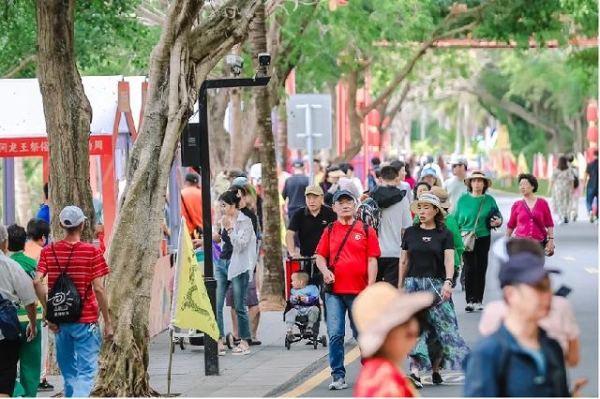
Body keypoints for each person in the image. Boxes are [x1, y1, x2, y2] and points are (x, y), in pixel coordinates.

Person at [464, 253, 574, 397]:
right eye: (537, 289)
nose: (547, 296)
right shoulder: (489, 352)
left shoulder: (552, 347)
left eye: (548, 288)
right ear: (510, 295)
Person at [32, 206, 113, 398]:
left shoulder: (48, 251)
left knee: (69, 374)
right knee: (86, 373)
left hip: (60, 321)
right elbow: (99, 289)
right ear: (83, 224)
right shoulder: (92, 252)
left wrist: (48, 312)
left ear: (61, 224)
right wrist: (108, 322)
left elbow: (36, 281)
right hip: (86, 321)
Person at [400, 192, 469, 388]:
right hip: (414, 285)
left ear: (435, 210)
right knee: (416, 328)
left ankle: (436, 368)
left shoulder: (444, 234)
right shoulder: (411, 233)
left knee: (442, 329)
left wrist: (448, 281)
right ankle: (415, 371)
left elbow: (449, 259)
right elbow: (403, 260)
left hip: (438, 286)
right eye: (419, 208)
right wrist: (400, 286)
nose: (421, 211)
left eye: (426, 208)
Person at [314, 190, 380, 390]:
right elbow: (319, 256)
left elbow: (372, 260)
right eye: (340, 202)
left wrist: (370, 286)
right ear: (333, 207)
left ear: (355, 206)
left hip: (359, 291)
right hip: (334, 292)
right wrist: (325, 271)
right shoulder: (330, 230)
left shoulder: (366, 230)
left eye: (348, 202)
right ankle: (337, 375)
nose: (345, 205)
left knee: (363, 334)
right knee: (335, 334)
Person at [480, 237, 581, 368]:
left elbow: (487, 362)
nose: (547, 298)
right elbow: (572, 359)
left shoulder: (493, 311)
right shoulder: (561, 306)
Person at [353, 283, 434, 397]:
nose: (413, 329)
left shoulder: (379, 372)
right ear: (387, 334)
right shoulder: (384, 380)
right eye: (403, 323)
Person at [454, 171, 502, 312]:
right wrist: (455, 240)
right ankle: (470, 300)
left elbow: (497, 216)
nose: (477, 184)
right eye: (474, 181)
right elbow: (456, 220)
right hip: (466, 238)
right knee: (469, 268)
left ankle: (479, 300)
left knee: (481, 268)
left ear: (485, 184)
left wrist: (498, 222)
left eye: (480, 181)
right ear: (470, 183)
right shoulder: (463, 200)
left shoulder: (489, 200)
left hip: (483, 237)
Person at [0, 225, 38, 398]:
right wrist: (32, 322)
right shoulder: (11, 265)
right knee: (5, 382)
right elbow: (30, 300)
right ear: (4, 243)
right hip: (5, 333)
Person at [217, 191, 256, 355]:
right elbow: (222, 239)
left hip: (239, 266)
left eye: (224, 205)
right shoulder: (223, 220)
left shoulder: (245, 222)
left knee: (240, 305)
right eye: (220, 206)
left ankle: (245, 341)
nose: (222, 209)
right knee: (216, 303)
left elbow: (241, 246)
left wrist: (230, 229)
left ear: (233, 205)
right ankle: (218, 340)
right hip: (223, 263)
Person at [23, 219, 53, 392]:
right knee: (40, 344)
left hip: (20, 305)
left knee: (23, 343)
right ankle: (41, 378)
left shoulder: (21, 250)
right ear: (43, 237)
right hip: (37, 304)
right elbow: (42, 284)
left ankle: (23, 375)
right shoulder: (44, 253)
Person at [369, 166, 412, 287]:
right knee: (390, 293)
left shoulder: (370, 198)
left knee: (374, 292)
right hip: (394, 252)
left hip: (373, 253)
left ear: (380, 179)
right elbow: (406, 229)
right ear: (397, 179)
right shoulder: (403, 199)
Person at [505, 173, 555, 255]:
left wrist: (551, 241)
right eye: (520, 185)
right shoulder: (517, 205)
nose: (522, 187)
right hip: (520, 244)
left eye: (525, 184)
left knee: (537, 267)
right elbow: (511, 225)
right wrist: (505, 242)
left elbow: (549, 224)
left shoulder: (543, 203)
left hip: (538, 244)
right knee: (522, 267)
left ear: (532, 186)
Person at [286, 184, 337, 262]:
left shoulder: (330, 213)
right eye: (308, 198)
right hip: (306, 258)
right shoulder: (299, 213)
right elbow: (289, 233)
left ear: (322, 198)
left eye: (315, 197)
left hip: (328, 258)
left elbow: (338, 234)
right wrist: (292, 253)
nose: (311, 201)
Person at [428, 187, 464, 290]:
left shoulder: (420, 217)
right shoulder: (451, 220)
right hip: (450, 264)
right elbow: (459, 245)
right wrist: (460, 260)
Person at [284, 272, 320, 340]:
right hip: (297, 309)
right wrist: (295, 298)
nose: (291, 283)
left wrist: (306, 299)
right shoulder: (293, 290)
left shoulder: (312, 288)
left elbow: (315, 297)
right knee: (290, 312)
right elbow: (291, 300)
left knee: (315, 309)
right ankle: (289, 330)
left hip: (309, 308)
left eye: (293, 281)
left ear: (300, 282)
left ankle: (309, 327)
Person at [548, 155, 575, 225]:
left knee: (559, 202)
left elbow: (552, 180)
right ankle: (565, 215)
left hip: (558, 188)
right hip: (566, 188)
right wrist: (572, 189)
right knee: (566, 202)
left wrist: (549, 189)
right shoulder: (568, 170)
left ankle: (560, 217)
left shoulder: (555, 169)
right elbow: (571, 180)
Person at [180, 172, 203, 238]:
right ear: (197, 183)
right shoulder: (202, 194)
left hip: (185, 232)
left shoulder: (181, 194)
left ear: (186, 182)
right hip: (200, 231)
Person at [584, 149, 598, 223]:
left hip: (590, 186)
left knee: (588, 201)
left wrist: (583, 185)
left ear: (594, 155)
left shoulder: (590, 164)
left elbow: (585, 175)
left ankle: (590, 211)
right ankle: (597, 216)